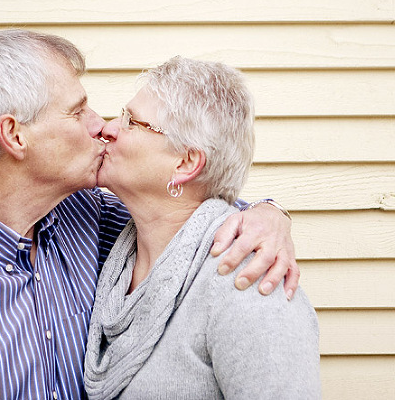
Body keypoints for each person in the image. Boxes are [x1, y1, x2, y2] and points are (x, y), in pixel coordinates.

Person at [0, 29, 297, 400]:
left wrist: (267, 214)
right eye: (76, 110)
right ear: (14, 135)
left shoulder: (89, 219)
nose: (99, 124)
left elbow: (181, 210)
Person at [85, 56, 320, 399]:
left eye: (132, 122)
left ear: (186, 163)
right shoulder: (109, 249)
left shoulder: (250, 282)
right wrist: (272, 209)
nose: (108, 128)